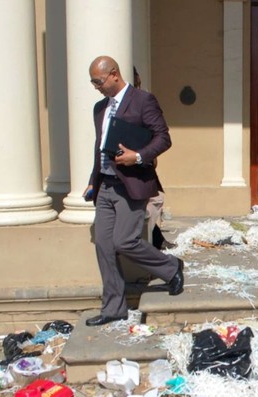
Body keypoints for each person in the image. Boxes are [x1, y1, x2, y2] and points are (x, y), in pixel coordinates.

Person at [83, 56, 184, 327]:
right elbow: (99, 146)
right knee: (104, 246)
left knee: (124, 241)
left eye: (98, 81)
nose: (96, 87)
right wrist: (93, 180)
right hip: (105, 185)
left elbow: (163, 138)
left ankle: (171, 267)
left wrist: (138, 156)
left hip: (131, 183)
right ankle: (113, 308)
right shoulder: (99, 108)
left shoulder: (142, 101)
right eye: (93, 82)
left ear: (113, 74)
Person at [133, 66, 176, 250]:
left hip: (142, 162)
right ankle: (153, 242)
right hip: (131, 168)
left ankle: (153, 240)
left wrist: (145, 154)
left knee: (154, 200)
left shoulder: (143, 100)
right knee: (151, 201)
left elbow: (162, 137)